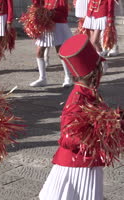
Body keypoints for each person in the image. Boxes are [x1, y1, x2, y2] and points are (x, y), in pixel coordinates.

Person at [39, 34, 108, 200]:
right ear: (94, 72)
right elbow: (67, 137)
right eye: (99, 67)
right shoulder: (77, 99)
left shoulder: (89, 94)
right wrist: (96, 136)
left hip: (86, 161)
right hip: (76, 165)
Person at [30, 0, 72, 88]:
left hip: (58, 25)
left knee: (61, 52)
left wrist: (50, 13)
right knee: (39, 51)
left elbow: (64, 13)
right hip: (47, 25)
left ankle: (68, 77)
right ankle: (42, 78)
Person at [82, 0, 114, 73]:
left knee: (93, 41)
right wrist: (87, 14)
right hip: (91, 14)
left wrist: (110, 18)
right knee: (92, 42)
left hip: (101, 14)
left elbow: (110, 1)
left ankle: (99, 63)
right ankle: (100, 63)